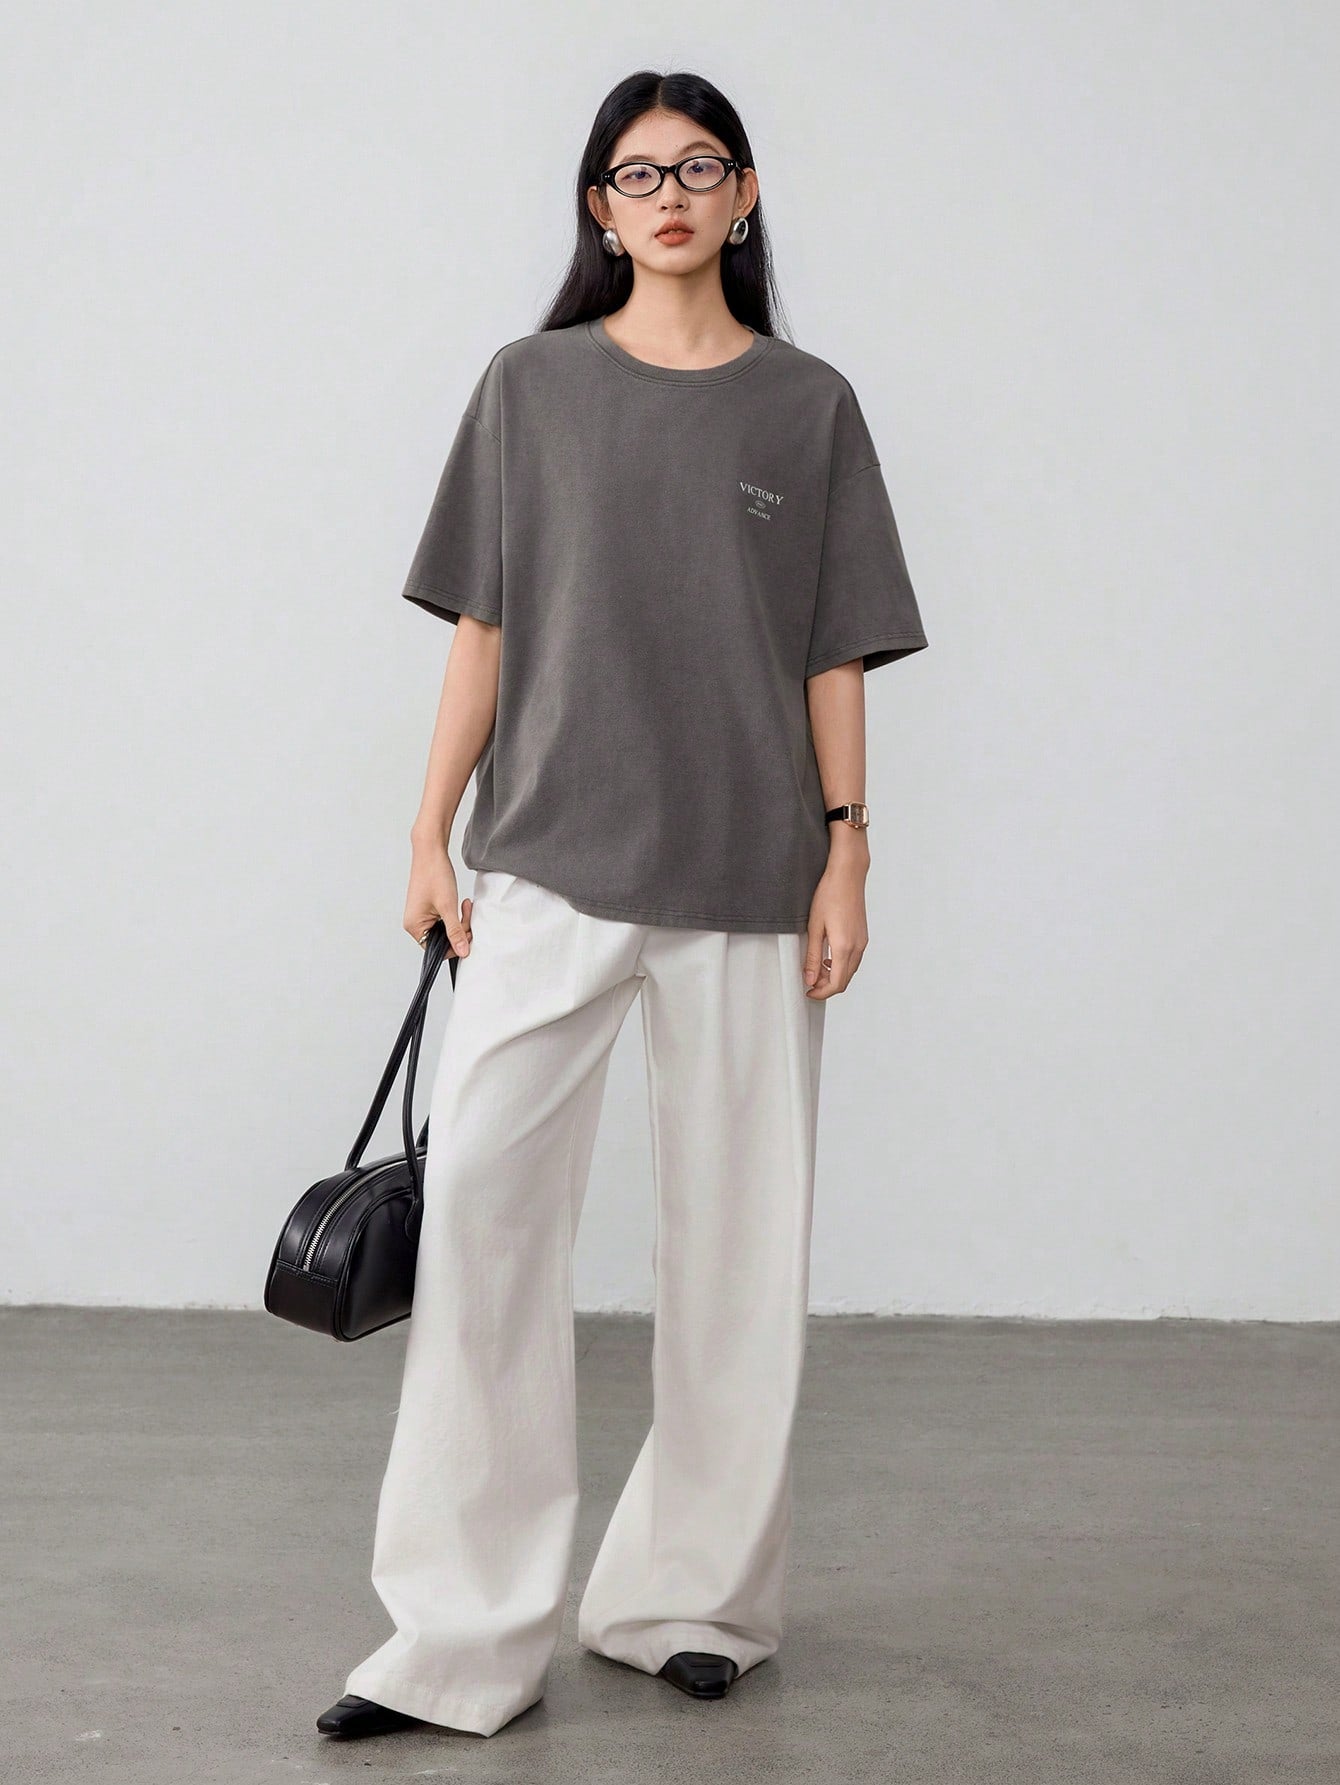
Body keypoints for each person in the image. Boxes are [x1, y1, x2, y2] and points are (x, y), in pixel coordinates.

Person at [317, 67, 929, 1742]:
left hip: (750, 869)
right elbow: (486, 629)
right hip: (543, 861)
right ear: (599, 207)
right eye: (637, 173)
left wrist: (850, 850)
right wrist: (427, 833)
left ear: (745, 196)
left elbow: (833, 647)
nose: (669, 196)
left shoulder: (807, 406)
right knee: (484, 1231)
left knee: (740, 1244)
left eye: (700, 167)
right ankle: (454, 1637)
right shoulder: (531, 388)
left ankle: (690, 1598)